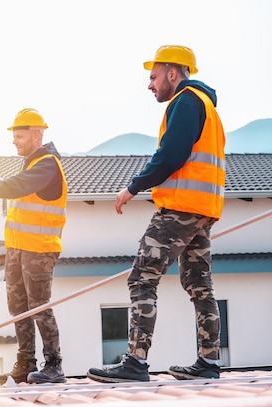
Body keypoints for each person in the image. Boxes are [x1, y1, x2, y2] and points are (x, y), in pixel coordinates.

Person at [87, 45, 226, 383]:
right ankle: (208, 363)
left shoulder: (186, 101)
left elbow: (171, 154)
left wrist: (134, 186)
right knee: (200, 285)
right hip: (203, 210)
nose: (150, 85)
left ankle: (135, 361)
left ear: (173, 73)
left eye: (154, 76)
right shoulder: (205, 104)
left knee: (142, 277)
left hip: (180, 207)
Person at [0, 108, 68, 384]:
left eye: (19, 136)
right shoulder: (32, 164)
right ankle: (26, 362)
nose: (14, 141)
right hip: (18, 250)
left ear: (36, 134)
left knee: (38, 307)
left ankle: (54, 365)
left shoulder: (47, 165)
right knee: (18, 307)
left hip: (39, 250)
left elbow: (18, 186)